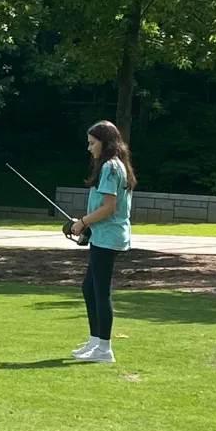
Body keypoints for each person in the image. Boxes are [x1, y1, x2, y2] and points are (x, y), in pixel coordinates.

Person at [68, 120, 135, 364]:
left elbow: (108, 208)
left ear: (105, 143)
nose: (89, 148)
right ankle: (96, 341)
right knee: (89, 287)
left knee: (100, 289)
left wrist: (82, 222)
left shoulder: (110, 167)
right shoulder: (114, 166)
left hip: (108, 237)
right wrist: (87, 227)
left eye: (92, 143)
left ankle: (104, 348)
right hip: (103, 235)